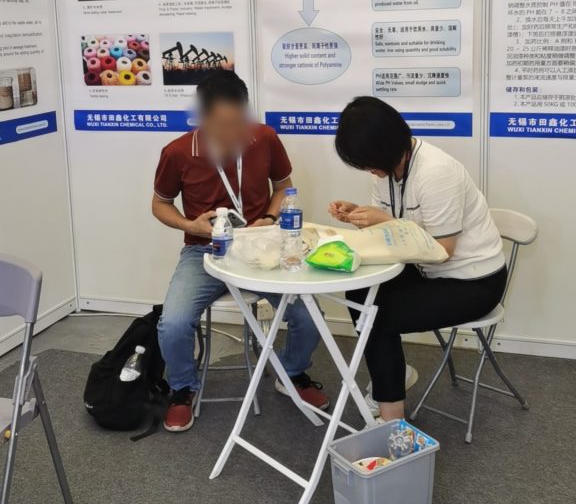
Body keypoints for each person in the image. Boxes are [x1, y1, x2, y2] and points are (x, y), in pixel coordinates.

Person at [152, 72, 329, 432]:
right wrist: (190, 225)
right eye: (223, 125)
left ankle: (291, 373)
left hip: (262, 247)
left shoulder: (264, 138)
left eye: (238, 122)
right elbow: (160, 204)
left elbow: (283, 187)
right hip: (205, 251)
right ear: (203, 117)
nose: (233, 133)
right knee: (173, 323)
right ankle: (182, 388)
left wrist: (269, 218)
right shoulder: (178, 152)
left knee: (309, 315)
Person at [329, 97, 507, 423]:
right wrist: (360, 216)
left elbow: (442, 250)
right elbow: (393, 232)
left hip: (473, 280)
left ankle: (392, 419)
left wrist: (384, 220)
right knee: (359, 294)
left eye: (370, 162)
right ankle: (393, 378)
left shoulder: (437, 173)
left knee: (378, 317)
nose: (369, 171)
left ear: (388, 146)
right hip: (426, 270)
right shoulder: (383, 170)